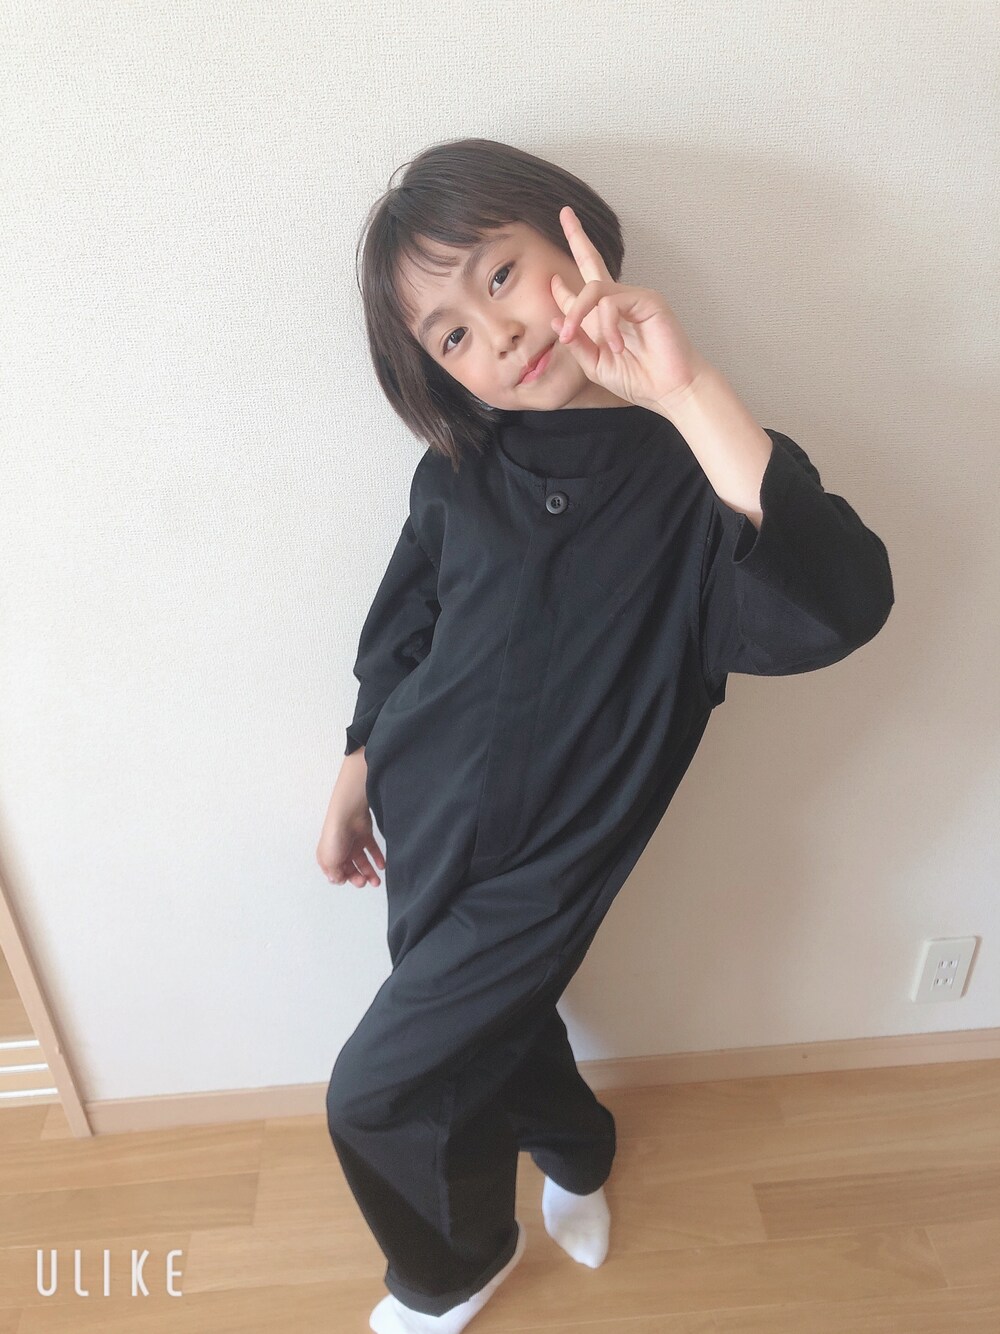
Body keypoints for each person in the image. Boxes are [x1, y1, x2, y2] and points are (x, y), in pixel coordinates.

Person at [315, 137, 895, 1334]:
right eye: (451, 337)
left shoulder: (694, 478)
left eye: (500, 276)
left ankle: (453, 1267)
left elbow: (835, 609)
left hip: (552, 860)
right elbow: (403, 625)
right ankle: (578, 1148)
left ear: (573, 236)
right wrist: (357, 766)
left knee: (376, 1092)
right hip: (423, 817)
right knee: (489, 1024)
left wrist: (686, 391)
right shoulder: (458, 469)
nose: (497, 332)